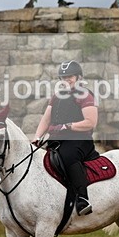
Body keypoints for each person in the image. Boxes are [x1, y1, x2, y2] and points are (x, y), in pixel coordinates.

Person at [34, 60, 97, 216]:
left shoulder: (85, 96)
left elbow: (90, 122)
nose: (66, 80)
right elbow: (46, 119)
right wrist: (36, 138)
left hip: (80, 140)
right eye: (63, 77)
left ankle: (83, 198)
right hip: (57, 140)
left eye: (70, 76)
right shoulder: (56, 97)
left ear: (79, 77)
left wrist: (68, 126)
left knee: (67, 157)